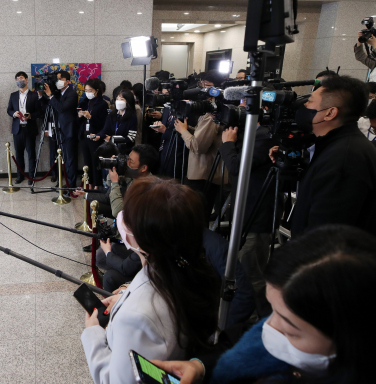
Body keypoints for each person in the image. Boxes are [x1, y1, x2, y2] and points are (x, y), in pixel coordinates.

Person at [154, 225, 376, 384]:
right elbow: (233, 342)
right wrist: (199, 366)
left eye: (290, 329)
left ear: (351, 338)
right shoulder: (272, 329)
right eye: (271, 309)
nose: (269, 327)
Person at [81, 177, 220, 384]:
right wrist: (124, 296)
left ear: (146, 238)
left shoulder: (137, 318)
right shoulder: (180, 266)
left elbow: (117, 380)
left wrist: (92, 333)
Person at [270, 75, 376, 237]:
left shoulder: (344, 159)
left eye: (310, 101)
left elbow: (324, 237)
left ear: (330, 113)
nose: (304, 106)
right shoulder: (332, 146)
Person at [220, 123, 278, 297]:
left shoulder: (265, 136)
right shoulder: (251, 132)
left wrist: (228, 144)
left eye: (246, 100)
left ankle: (253, 316)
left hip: (255, 214)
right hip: (243, 212)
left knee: (250, 270)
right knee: (240, 267)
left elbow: (237, 167)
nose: (242, 105)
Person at [175, 72, 228, 221]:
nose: (203, 90)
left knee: (195, 218)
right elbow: (202, 135)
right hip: (203, 174)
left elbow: (198, 147)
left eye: (208, 87)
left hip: (203, 175)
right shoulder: (208, 111)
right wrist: (188, 128)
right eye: (202, 85)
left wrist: (184, 131)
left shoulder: (213, 115)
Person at [6, 71, 43, 184]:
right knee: (19, 154)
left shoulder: (34, 95)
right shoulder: (13, 95)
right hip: (17, 129)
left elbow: (39, 112)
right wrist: (14, 114)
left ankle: (31, 177)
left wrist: (31, 115)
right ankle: (20, 176)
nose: (19, 80)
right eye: (17, 79)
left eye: (21, 78)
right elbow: (9, 110)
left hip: (29, 129)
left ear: (26, 80)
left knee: (31, 154)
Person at [43, 70, 79, 187]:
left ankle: (71, 185)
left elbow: (61, 108)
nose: (58, 82)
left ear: (68, 81)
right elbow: (51, 105)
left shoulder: (72, 94)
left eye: (60, 79)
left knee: (70, 159)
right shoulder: (59, 93)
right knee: (63, 158)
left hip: (69, 131)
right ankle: (64, 182)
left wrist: (50, 95)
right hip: (59, 131)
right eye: (57, 79)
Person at [78, 78, 108, 188]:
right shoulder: (85, 102)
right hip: (84, 135)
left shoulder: (102, 104)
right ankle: (89, 182)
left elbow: (103, 123)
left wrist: (90, 117)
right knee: (86, 161)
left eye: (90, 90)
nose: (87, 93)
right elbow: (79, 120)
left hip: (95, 135)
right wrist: (80, 116)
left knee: (95, 161)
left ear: (97, 91)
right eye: (86, 90)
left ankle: (97, 184)